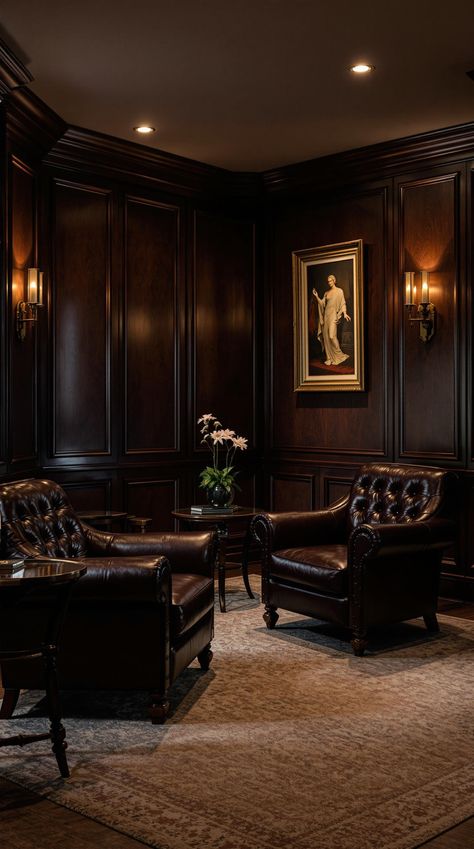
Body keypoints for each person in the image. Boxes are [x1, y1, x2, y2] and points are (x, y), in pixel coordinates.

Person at [312, 274, 351, 365]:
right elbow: (322, 304)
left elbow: (343, 303)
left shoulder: (339, 291)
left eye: (331, 281)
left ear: (334, 281)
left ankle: (339, 355)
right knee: (326, 337)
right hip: (326, 316)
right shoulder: (326, 293)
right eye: (328, 281)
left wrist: (344, 313)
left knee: (331, 336)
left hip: (333, 315)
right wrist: (317, 296)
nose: (329, 282)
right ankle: (329, 358)